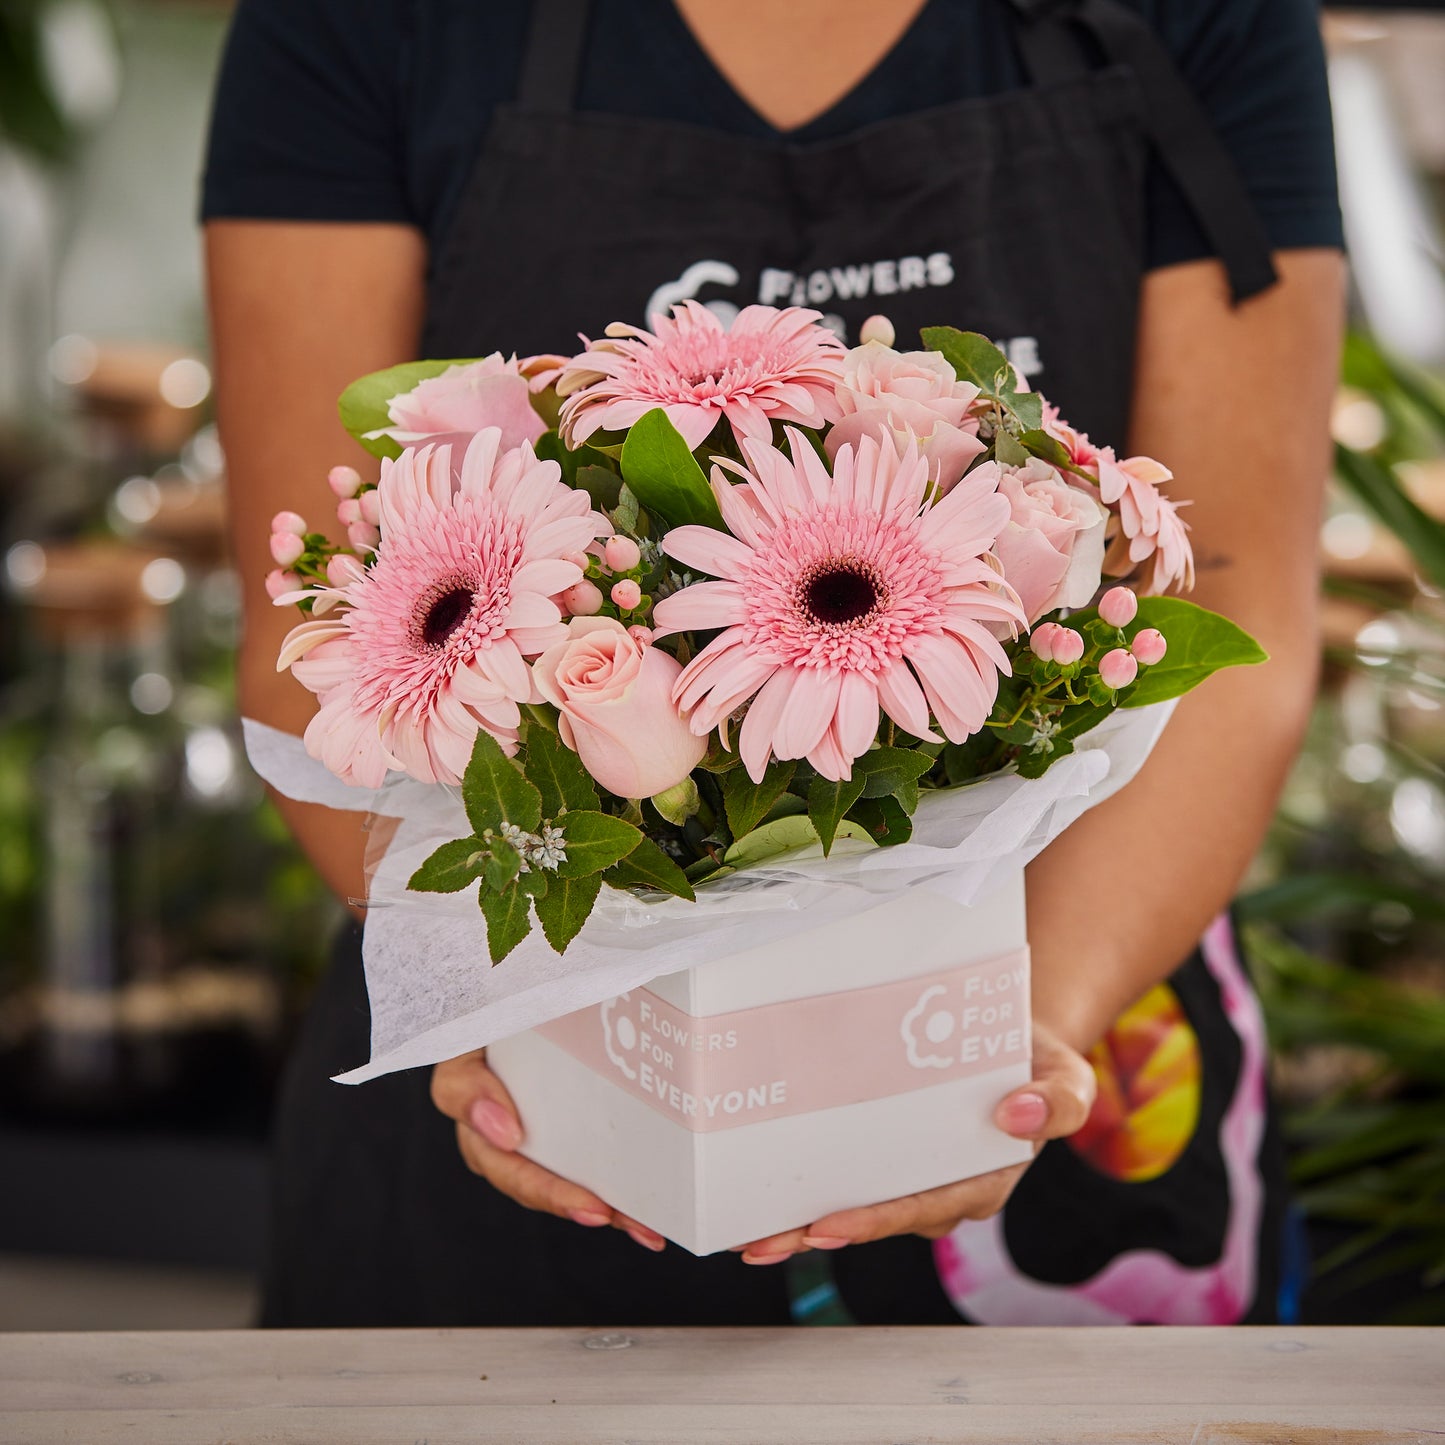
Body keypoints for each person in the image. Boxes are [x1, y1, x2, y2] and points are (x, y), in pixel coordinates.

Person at [204, 0, 1345, 1327]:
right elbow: (321, 637)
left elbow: (1230, 602)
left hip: (1061, 1050)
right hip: (521, 1084)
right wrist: (521, 1006)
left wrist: (1004, 1030)